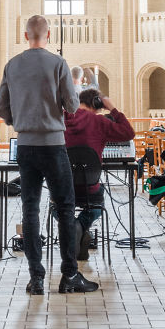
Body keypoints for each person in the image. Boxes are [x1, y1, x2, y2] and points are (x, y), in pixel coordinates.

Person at [0, 14, 97, 295]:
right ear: (49, 36)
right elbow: (73, 105)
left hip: (26, 146)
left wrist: (18, 120)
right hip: (53, 145)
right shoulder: (58, 63)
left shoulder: (12, 65)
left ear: (26, 35)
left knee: (30, 210)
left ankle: (36, 279)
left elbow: (1, 106)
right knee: (64, 208)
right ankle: (69, 277)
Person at [64, 88, 135, 260]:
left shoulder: (60, 118)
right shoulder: (99, 122)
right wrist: (113, 110)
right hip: (90, 188)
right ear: (96, 103)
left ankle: (72, 228)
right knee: (98, 202)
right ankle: (80, 227)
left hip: (64, 187)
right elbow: (129, 133)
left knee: (57, 206)